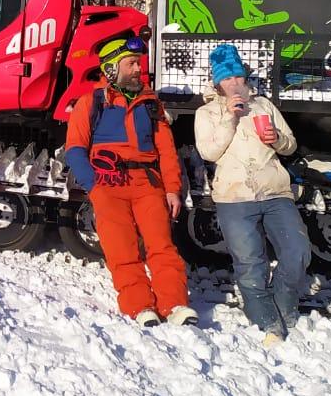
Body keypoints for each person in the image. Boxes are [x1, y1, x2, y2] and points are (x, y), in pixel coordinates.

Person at [65, 36, 198, 328]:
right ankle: (140, 306)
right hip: (108, 186)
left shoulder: (151, 105)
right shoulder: (90, 103)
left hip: (147, 184)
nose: (139, 69)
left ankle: (175, 304)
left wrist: (173, 190)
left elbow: (166, 151)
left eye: (138, 63)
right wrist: (95, 188)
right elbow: (74, 149)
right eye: (132, 63)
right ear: (112, 69)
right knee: (121, 250)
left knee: (162, 246)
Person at [193, 43, 310, 347]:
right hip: (234, 197)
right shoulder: (206, 113)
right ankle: (266, 320)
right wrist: (230, 118)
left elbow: (291, 145)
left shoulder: (263, 106)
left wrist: (278, 139)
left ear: (245, 78)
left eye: (238, 77)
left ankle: (283, 305)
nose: (234, 84)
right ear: (217, 82)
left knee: (297, 251)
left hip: (275, 191)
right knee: (250, 262)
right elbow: (209, 151)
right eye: (227, 79)